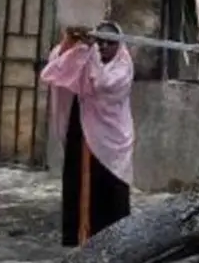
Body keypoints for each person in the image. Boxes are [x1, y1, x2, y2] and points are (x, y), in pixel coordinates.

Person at [40, 21, 135, 246]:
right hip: (81, 132)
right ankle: (80, 238)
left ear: (118, 45)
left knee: (110, 188)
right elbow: (58, 65)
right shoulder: (86, 59)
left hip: (112, 140)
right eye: (99, 42)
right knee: (79, 184)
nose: (102, 47)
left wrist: (88, 51)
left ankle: (112, 240)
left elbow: (102, 84)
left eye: (109, 43)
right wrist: (71, 42)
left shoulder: (123, 67)